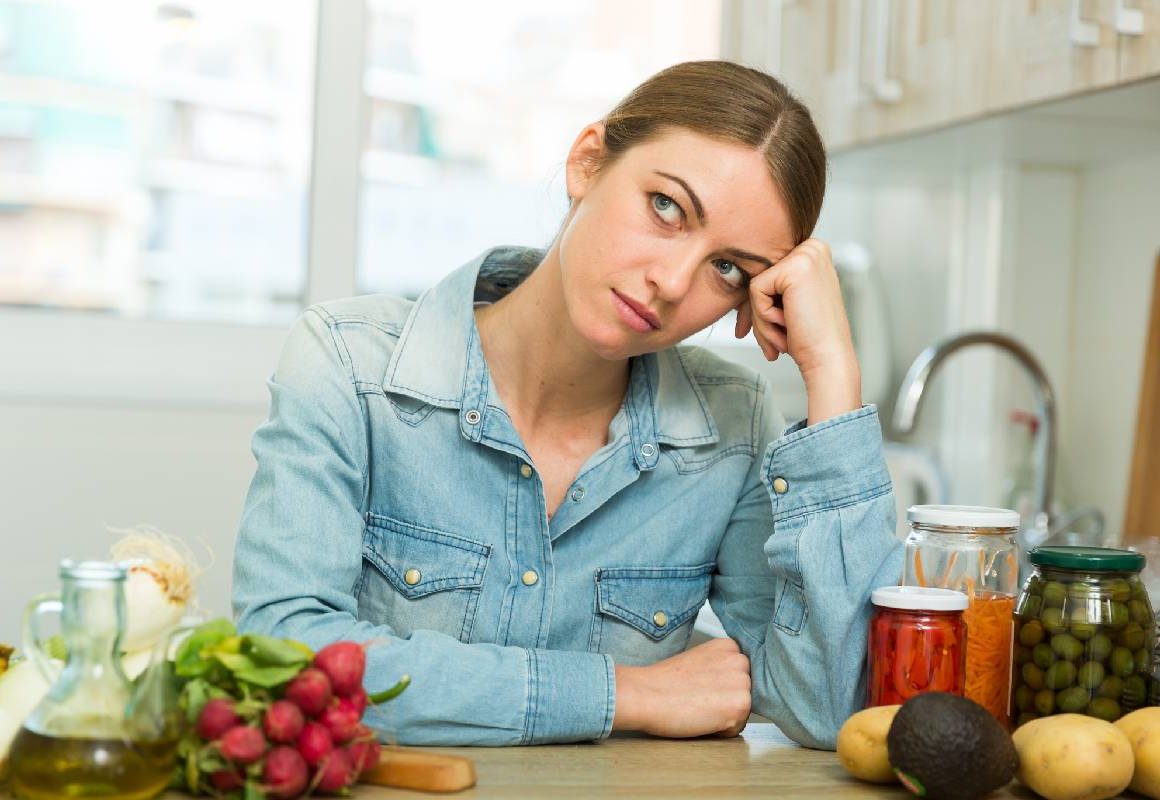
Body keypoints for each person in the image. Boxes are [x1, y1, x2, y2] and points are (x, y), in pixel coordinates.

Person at [232, 60, 902, 750]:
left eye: (727, 268)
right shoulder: (347, 365)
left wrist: (832, 374)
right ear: (588, 162)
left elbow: (825, 709)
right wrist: (625, 693)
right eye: (666, 207)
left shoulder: (730, 426)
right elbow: (281, 661)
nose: (671, 283)